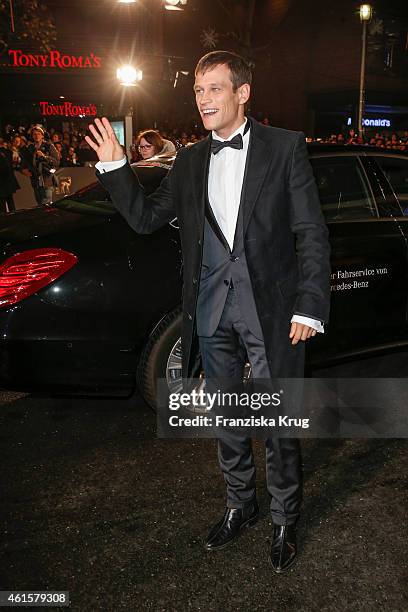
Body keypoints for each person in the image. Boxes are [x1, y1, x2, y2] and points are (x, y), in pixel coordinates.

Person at [86, 50, 331, 573]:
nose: (203, 100)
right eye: (198, 91)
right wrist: (116, 168)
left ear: (243, 93)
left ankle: (285, 517)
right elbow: (149, 219)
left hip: (272, 311)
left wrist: (310, 304)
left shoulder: (285, 148)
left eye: (215, 89)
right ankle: (240, 504)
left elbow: (310, 231)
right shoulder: (192, 159)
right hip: (211, 309)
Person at [20, 125, 59, 206]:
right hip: (35, 179)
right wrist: (23, 169)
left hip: (47, 178)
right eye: (34, 134)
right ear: (32, 136)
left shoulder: (49, 146)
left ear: (42, 135)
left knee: (46, 203)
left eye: (38, 134)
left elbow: (56, 161)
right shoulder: (30, 148)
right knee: (39, 203)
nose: (36, 136)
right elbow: (25, 161)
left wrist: (45, 157)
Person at [0, 139, 19, 213]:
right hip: (8, 182)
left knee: (2, 206)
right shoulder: (9, 152)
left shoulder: (6, 153)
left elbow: (5, 167)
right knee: (10, 203)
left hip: (2, 183)